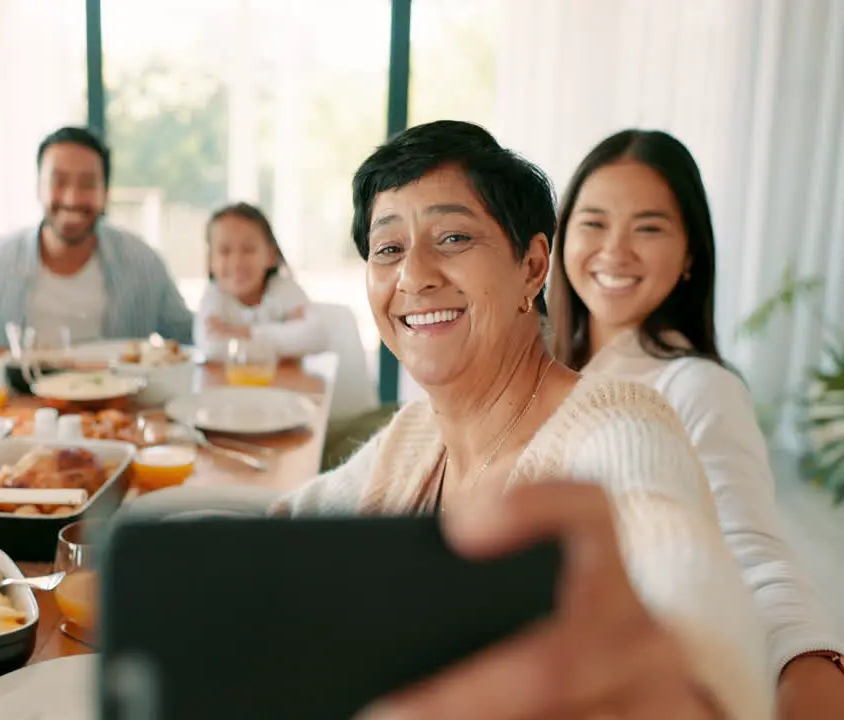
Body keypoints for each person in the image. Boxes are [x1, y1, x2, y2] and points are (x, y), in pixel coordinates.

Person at [276, 121, 770, 718]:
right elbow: (277, 537)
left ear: (533, 267)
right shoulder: (414, 436)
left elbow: (680, 570)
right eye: (388, 249)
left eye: (453, 237)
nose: (414, 275)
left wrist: (697, 692)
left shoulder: (623, 426)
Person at [547, 128, 844, 719]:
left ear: (689, 257)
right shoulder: (535, 366)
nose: (615, 251)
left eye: (650, 227)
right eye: (595, 222)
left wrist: (814, 683)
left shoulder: (698, 386)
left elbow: (755, 554)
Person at [0, 126, 193, 347]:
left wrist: (232, 307)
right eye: (58, 181)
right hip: (13, 410)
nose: (72, 198)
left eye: (88, 184)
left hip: (112, 410)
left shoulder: (143, 263)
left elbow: (190, 332)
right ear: (38, 187)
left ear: (106, 193)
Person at [193, 202, 327, 360]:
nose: (237, 262)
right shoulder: (214, 295)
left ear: (270, 255)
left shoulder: (285, 288)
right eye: (225, 251)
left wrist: (246, 332)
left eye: (248, 250)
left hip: (285, 383)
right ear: (210, 261)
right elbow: (211, 346)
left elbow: (316, 338)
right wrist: (286, 336)